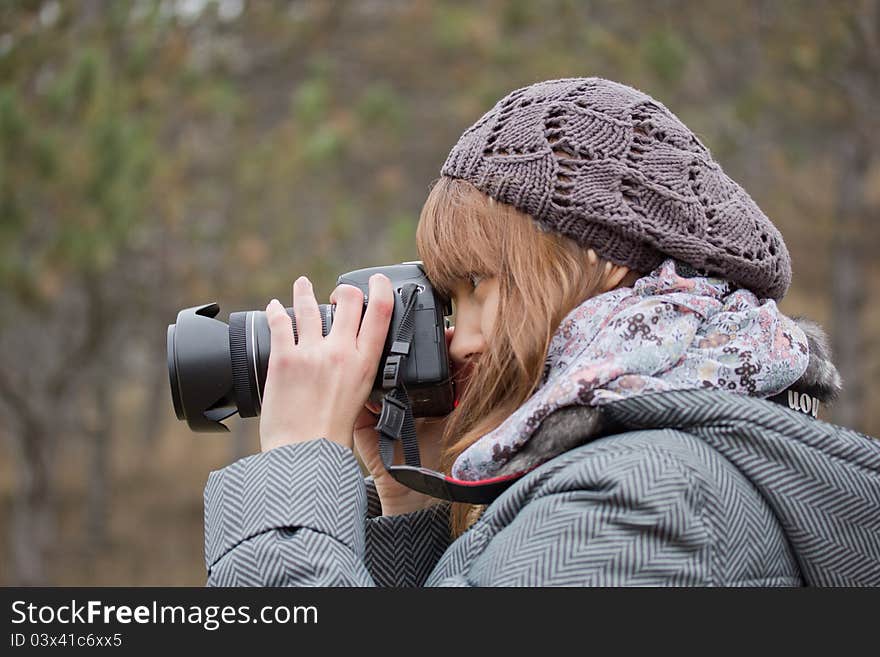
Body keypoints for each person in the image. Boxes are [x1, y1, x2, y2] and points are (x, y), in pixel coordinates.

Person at [203, 78, 880, 586]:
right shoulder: (646, 470)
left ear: (603, 259)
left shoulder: (646, 495)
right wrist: (411, 502)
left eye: (475, 287)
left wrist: (290, 482)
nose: (460, 338)